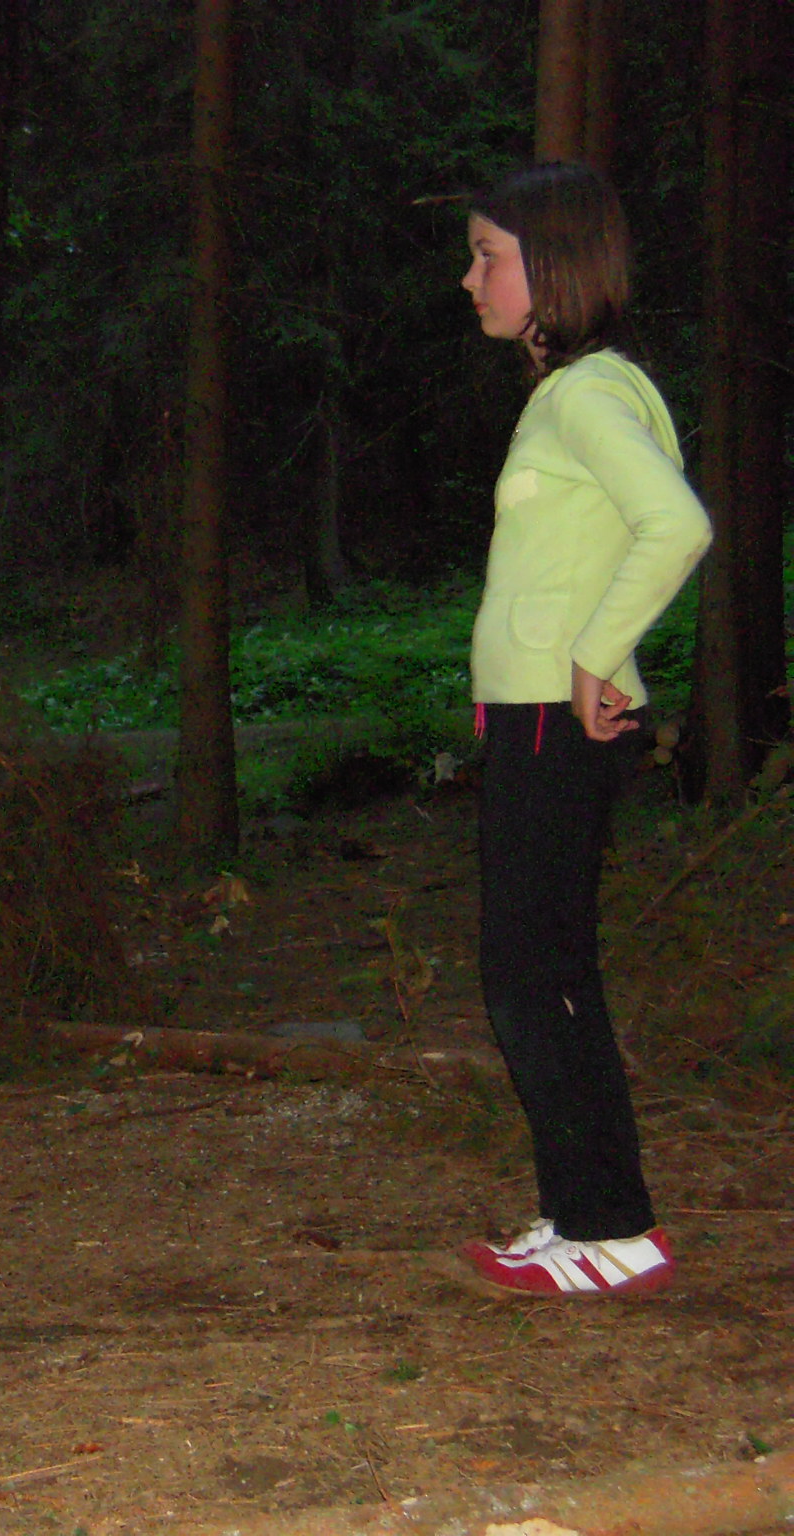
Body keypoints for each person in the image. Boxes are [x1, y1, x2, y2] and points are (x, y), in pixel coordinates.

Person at [454, 162, 710, 1297]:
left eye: (487, 256)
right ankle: (580, 1211)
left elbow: (675, 524)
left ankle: (611, 1225)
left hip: (553, 720)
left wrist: (595, 656)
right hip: (539, 717)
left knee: (531, 972)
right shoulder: (588, 389)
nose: (470, 279)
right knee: (541, 966)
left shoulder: (583, 395)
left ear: (551, 265)